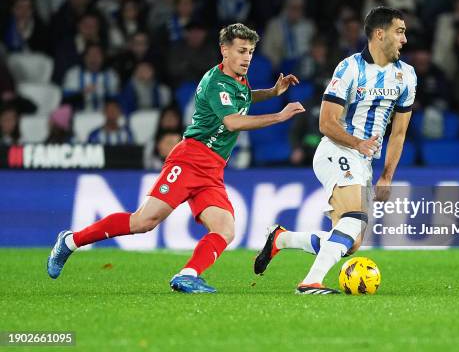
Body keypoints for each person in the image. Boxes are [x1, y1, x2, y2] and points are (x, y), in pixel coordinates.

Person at [47, 23, 304, 294]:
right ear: (224, 51)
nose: (247, 57)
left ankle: (187, 275)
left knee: (225, 229)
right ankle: (71, 241)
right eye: (241, 51)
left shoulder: (237, 80)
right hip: (190, 159)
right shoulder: (216, 82)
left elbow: (242, 99)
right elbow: (231, 121)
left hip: (213, 169)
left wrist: (272, 93)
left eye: (251, 51)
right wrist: (278, 115)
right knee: (143, 222)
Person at [254, 7, 416, 294]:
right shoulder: (350, 68)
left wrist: (387, 175)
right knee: (355, 216)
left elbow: (399, 132)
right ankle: (310, 282)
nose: (404, 39)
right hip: (336, 149)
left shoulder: (407, 76)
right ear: (380, 34)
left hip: (364, 161)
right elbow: (325, 123)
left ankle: (280, 239)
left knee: (350, 242)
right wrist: (356, 143)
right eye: (399, 31)